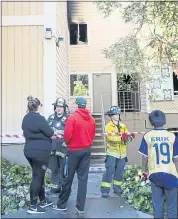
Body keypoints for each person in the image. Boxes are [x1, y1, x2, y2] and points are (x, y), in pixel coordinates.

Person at [53, 97, 96, 214]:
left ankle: (61, 205)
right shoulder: (91, 119)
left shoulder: (72, 118)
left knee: (68, 177)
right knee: (83, 179)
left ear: (77, 105)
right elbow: (92, 135)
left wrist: (65, 143)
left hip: (73, 151)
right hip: (86, 150)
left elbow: (68, 135)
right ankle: (80, 207)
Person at [138, 110, 178, 219]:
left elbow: (144, 156)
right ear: (164, 121)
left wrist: (144, 171)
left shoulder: (147, 136)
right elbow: (176, 158)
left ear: (151, 123)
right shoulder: (172, 136)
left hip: (155, 175)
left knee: (157, 205)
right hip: (171, 174)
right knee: (172, 207)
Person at [22, 96, 54, 214]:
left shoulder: (25, 118)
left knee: (38, 176)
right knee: (37, 177)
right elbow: (49, 132)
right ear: (38, 106)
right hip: (40, 152)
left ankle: (43, 200)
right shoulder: (40, 118)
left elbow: (26, 131)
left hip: (28, 151)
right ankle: (33, 206)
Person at [101, 106, 135, 198]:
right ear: (111, 116)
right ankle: (105, 190)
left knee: (119, 172)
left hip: (122, 154)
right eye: (115, 114)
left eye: (118, 114)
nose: (117, 116)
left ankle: (117, 188)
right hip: (112, 152)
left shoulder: (123, 126)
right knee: (109, 171)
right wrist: (122, 137)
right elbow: (111, 138)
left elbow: (126, 137)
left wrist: (129, 136)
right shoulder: (108, 126)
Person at [46, 97, 69, 194]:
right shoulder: (50, 118)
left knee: (63, 170)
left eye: (61, 107)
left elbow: (71, 133)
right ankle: (55, 188)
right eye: (57, 107)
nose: (58, 108)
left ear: (64, 108)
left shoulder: (68, 119)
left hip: (63, 148)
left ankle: (64, 189)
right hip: (52, 148)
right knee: (53, 169)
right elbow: (46, 131)